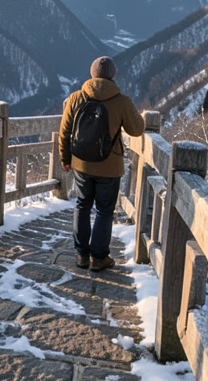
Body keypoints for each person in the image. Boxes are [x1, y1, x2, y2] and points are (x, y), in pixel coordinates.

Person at [58, 56, 144, 271]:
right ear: (113, 75)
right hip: (109, 165)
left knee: (82, 205)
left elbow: (65, 132)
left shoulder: (76, 98)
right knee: (105, 211)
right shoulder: (122, 101)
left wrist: (65, 158)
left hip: (81, 164)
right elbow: (137, 130)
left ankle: (81, 255)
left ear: (92, 73)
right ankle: (99, 258)